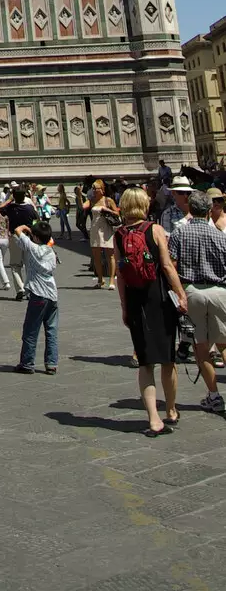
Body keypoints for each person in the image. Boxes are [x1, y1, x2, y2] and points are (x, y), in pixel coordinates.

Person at [114, 187, 188, 435]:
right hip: (159, 299)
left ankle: (154, 419)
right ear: (144, 205)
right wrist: (180, 294)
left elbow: (121, 276)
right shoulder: (154, 230)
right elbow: (167, 266)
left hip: (136, 303)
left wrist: (124, 307)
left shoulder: (118, 235)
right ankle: (171, 409)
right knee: (168, 360)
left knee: (146, 363)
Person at [167, 189, 226, 414]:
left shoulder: (179, 234)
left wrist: (177, 293)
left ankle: (214, 395)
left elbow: (171, 265)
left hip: (192, 291)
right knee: (224, 343)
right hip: (220, 291)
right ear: (209, 210)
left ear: (190, 209)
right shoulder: (220, 235)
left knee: (201, 346)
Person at [12, 219, 60, 375]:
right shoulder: (50, 250)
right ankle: (51, 363)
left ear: (36, 238)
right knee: (51, 330)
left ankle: (27, 363)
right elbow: (48, 239)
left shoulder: (33, 248)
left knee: (31, 330)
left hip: (38, 293)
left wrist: (26, 228)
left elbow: (17, 230)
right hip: (52, 294)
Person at [3, 184, 40, 301]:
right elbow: (37, 219)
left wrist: (9, 201)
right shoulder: (29, 208)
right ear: (25, 195)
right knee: (29, 265)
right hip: (28, 237)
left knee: (15, 265)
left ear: (14, 196)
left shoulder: (10, 208)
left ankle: (20, 289)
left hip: (15, 237)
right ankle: (29, 290)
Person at [82, 180, 121, 288]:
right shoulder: (92, 200)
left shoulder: (108, 200)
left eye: (96, 188)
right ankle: (100, 279)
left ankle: (112, 280)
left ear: (102, 189)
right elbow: (83, 207)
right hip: (95, 229)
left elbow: (117, 213)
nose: (94, 190)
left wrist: (106, 209)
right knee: (96, 256)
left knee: (110, 255)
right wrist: (79, 196)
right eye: (93, 188)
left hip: (106, 229)